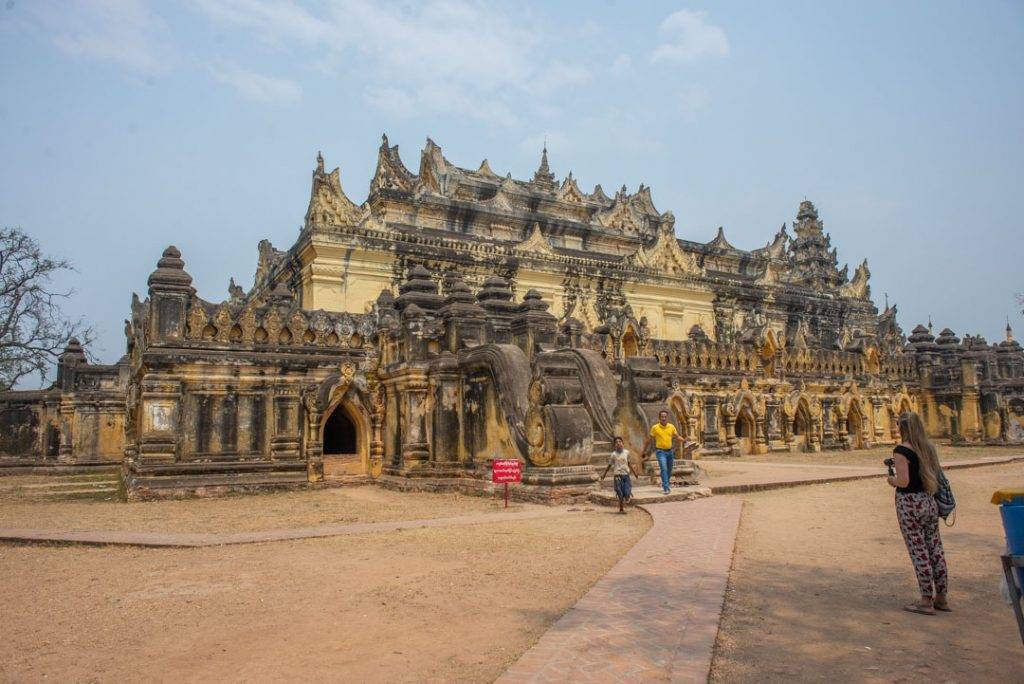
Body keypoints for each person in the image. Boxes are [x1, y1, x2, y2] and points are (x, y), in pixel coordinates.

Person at [887, 411, 950, 615]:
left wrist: (891, 480)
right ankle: (941, 597)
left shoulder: (901, 451)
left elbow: (903, 482)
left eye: (898, 425)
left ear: (902, 428)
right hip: (929, 501)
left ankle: (925, 600)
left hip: (910, 504)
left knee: (919, 551)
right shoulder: (928, 448)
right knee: (935, 549)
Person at [644, 410, 687, 494]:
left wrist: (685, 441)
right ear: (659, 418)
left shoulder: (671, 427)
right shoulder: (655, 428)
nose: (663, 418)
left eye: (665, 417)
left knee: (669, 470)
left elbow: (677, 436)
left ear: (667, 418)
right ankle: (666, 487)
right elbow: (649, 439)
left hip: (670, 452)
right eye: (662, 417)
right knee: (663, 468)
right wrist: (644, 450)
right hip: (660, 452)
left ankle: (666, 483)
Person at [601, 436, 640, 513]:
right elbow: (609, 465)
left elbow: (629, 463)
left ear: (623, 443)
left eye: (620, 442)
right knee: (619, 492)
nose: (618, 443)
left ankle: (628, 496)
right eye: (616, 442)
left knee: (627, 490)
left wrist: (635, 473)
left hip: (626, 475)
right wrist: (604, 474)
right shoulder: (613, 455)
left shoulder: (626, 453)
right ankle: (621, 508)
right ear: (614, 445)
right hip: (617, 476)